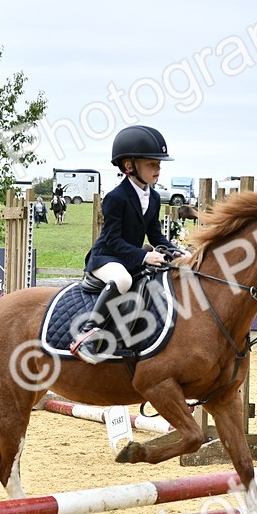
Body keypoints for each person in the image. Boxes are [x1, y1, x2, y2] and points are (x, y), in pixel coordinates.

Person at [69, 125, 186, 363]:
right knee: (123, 279)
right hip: (106, 258)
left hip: (129, 258)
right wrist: (144, 257)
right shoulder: (115, 197)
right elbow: (112, 240)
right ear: (130, 166)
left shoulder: (153, 197)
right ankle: (87, 333)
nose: (158, 169)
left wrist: (177, 251)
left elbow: (156, 236)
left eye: (159, 165)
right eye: (152, 164)